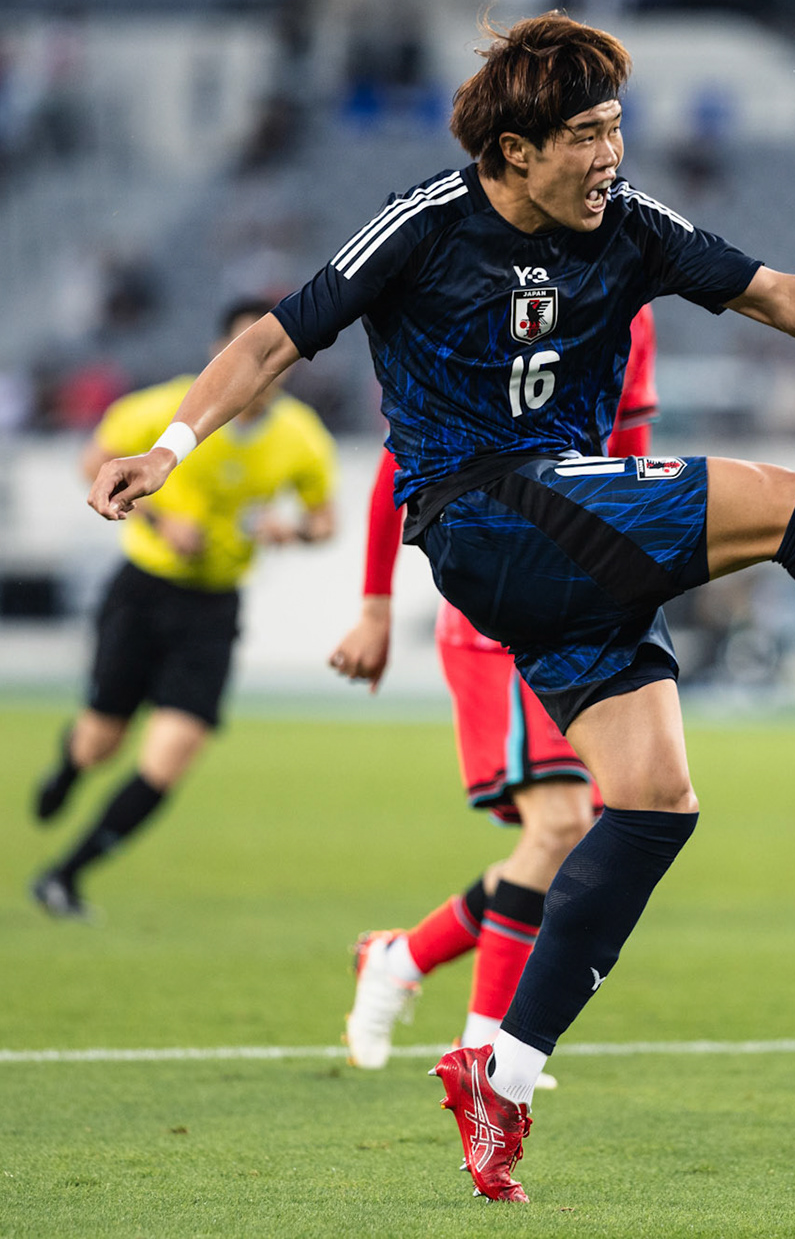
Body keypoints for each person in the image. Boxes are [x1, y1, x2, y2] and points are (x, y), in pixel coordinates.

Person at [82, 14, 795, 1201]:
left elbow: (773, 294)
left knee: (654, 803)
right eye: (588, 133)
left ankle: (500, 1070)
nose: (612, 152)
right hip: (484, 516)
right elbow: (271, 341)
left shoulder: (633, 227)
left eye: (617, 126)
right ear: (512, 149)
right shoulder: (424, 224)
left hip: (569, 540)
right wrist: (174, 443)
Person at [329, 304, 658, 1073]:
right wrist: (375, 604)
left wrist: (638, 578)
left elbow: (630, 451)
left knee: (583, 833)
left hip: (586, 598)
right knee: (559, 825)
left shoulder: (633, 300)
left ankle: (404, 957)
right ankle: (486, 1053)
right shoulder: (489, 285)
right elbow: (403, 454)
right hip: (499, 594)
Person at [30, 299, 337, 919]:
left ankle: (64, 875)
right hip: (144, 590)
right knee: (100, 744)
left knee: (170, 758)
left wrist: (293, 532)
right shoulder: (165, 407)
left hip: (214, 608)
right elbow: (94, 461)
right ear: (218, 354)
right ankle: (70, 765)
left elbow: (326, 522)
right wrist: (163, 520)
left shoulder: (300, 436)